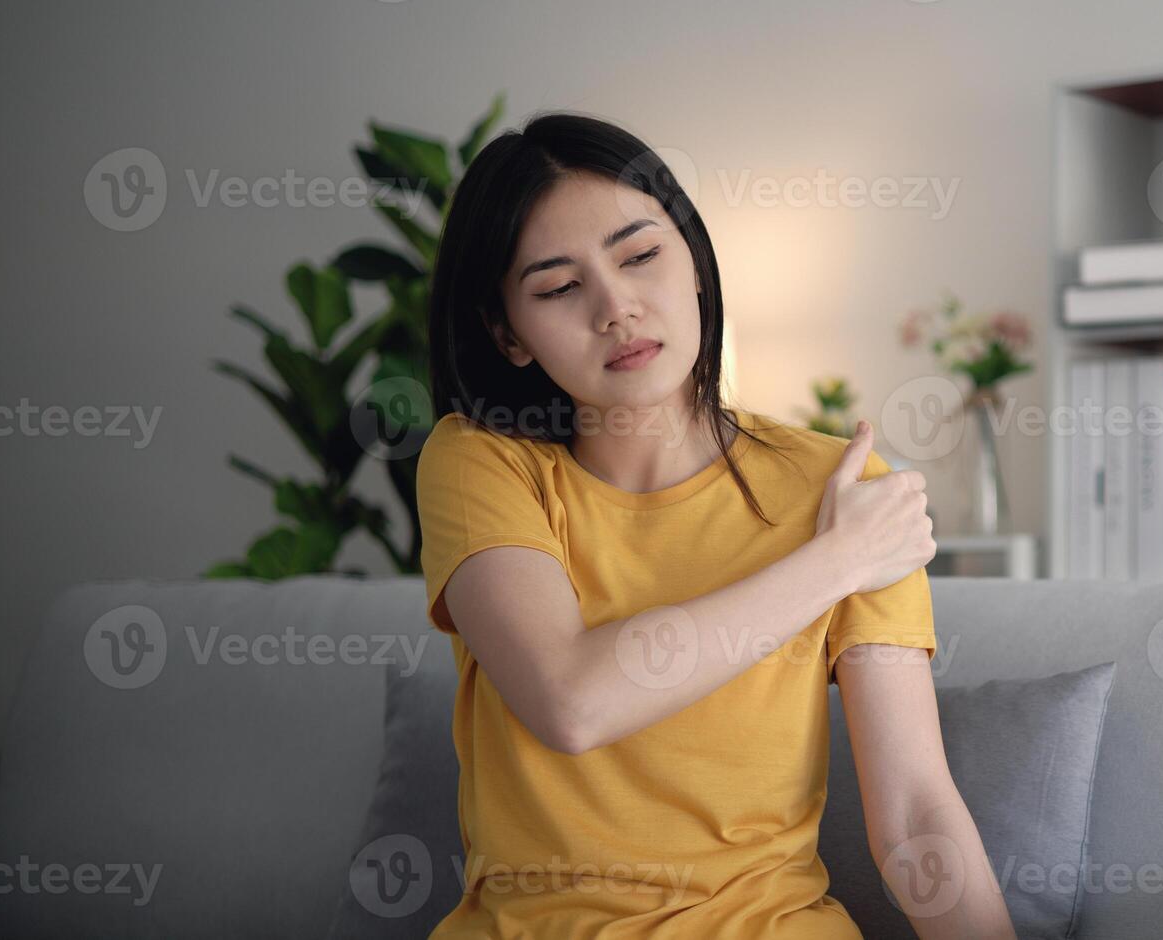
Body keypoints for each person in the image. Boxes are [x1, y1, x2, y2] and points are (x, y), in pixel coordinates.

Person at [414, 111, 1017, 939]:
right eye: (559, 288)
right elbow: (571, 700)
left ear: (694, 262)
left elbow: (915, 814)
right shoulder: (480, 463)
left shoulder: (836, 487)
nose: (616, 308)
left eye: (639, 256)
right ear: (506, 335)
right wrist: (833, 562)